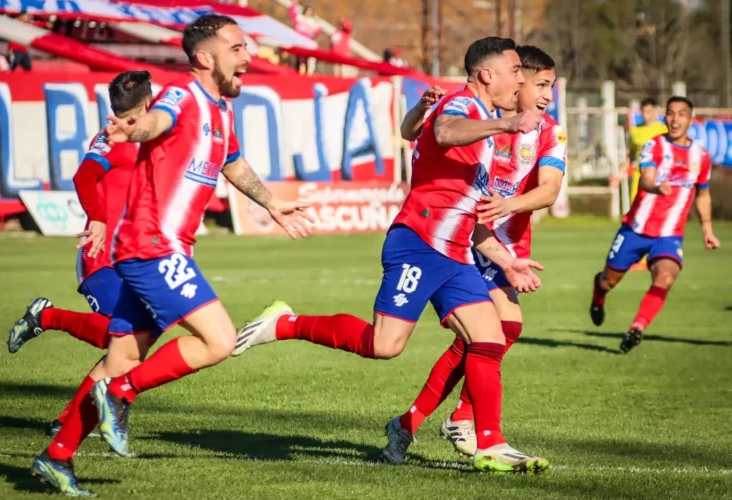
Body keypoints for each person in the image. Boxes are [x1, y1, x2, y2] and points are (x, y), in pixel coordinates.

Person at [233, 37, 551, 473]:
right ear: (486, 74)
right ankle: (285, 324)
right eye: (516, 71)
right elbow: (442, 131)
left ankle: (490, 444)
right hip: (419, 245)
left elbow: (467, 210)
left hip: (456, 253)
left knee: (490, 339)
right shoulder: (462, 107)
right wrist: (508, 126)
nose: (521, 79)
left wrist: (504, 259)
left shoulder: (484, 120)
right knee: (384, 346)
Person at [28, 14, 314, 496]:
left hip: (164, 246)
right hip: (152, 244)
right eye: (238, 49)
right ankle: (122, 394)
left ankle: (56, 456)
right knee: (219, 340)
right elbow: (157, 121)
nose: (248, 58)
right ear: (205, 57)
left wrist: (272, 203)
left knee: (119, 356)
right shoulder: (183, 95)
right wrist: (134, 131)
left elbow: (233, 163)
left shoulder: (222, 112)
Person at [387, 45, 567, 460]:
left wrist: (511, 206)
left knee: (496, 333)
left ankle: (418, 422)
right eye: (539, 84)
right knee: (488, 333)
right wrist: (420, 111)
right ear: (512, 80)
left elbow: (550, 190)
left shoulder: (548, 130)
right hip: (463, 236)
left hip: (504, 239)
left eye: (549, 87)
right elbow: (420, 132)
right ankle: (463, 424)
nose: (544, 95)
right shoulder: (473, 112)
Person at [7, 70, 154, 439]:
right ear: (148, 103)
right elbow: (84, 177)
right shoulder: (113, 139)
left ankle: (68, 420)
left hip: (133, 256)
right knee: (119, 339)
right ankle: (48, 317)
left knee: (129, 342)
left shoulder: (149, 139)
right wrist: (100, 221)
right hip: (99, 253)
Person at [590, 96, 721, 354]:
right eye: (670, 114)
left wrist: (707, 228)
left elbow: (703, 194)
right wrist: (657, 187)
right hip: (636, 229)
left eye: (681, 114)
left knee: (666, 276)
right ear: (666, 117)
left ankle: (637, 328)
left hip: (670, 234)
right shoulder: (655, 145)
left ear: (690, 119)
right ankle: (598, 294)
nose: (675, 119)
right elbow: (646, 178)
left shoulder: (701, 156)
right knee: (608, 281)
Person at [611, 98, 668, 270]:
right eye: (643, 111)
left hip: (658, 180)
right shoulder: (635, 132)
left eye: (649, 111)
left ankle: (657, 256)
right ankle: (640, 259)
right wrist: (619, 175)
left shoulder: (662, 130)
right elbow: (631, 157)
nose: (646, 114)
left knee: (657, 217)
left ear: (656, 112)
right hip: (639, 180)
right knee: (637, 218)